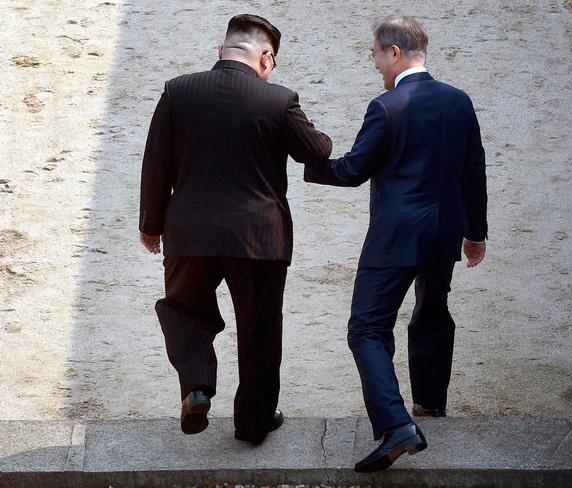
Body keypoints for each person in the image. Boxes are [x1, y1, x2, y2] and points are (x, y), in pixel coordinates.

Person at [304, 15, 487, 472]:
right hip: (444, 230)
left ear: (395, 52)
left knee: (366, 328)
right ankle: (429, 402)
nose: (376, 64)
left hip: (395, 235)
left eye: (376, 55)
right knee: (432, 309)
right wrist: (475, 233)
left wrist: (310, 160)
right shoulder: (459, 101)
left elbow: (352, 170)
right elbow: (474, 171)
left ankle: (396, 424)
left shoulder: (386, 106)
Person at [139, 14, 332, 445]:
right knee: (260, 331)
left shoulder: (177, 91)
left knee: (183, 310)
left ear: (220, 51)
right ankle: (253, 423)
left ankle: (197, 386)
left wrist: (151, 226)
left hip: (189, 234)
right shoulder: (277, 101)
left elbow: (156, 165)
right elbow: (315, 150)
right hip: (259, 238)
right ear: (266, 58)